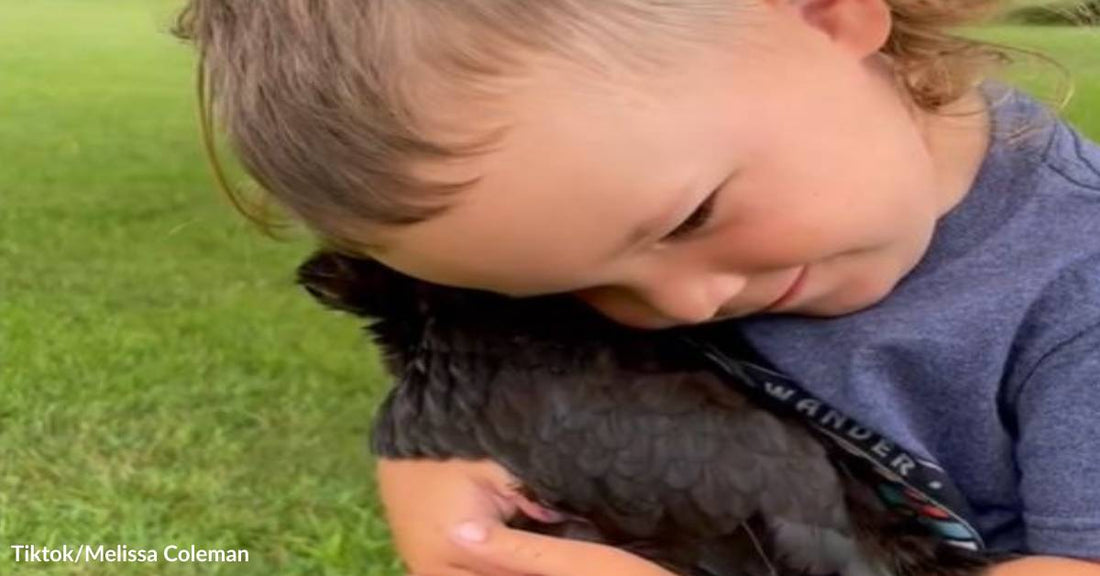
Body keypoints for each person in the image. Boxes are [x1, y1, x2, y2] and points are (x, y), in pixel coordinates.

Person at [174, 0, 1100, 574]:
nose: (681, 305)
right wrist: (436, 477)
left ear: (828, 11)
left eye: (690, 219)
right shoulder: (616, 194)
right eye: (578, 288)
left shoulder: (1077, 282)